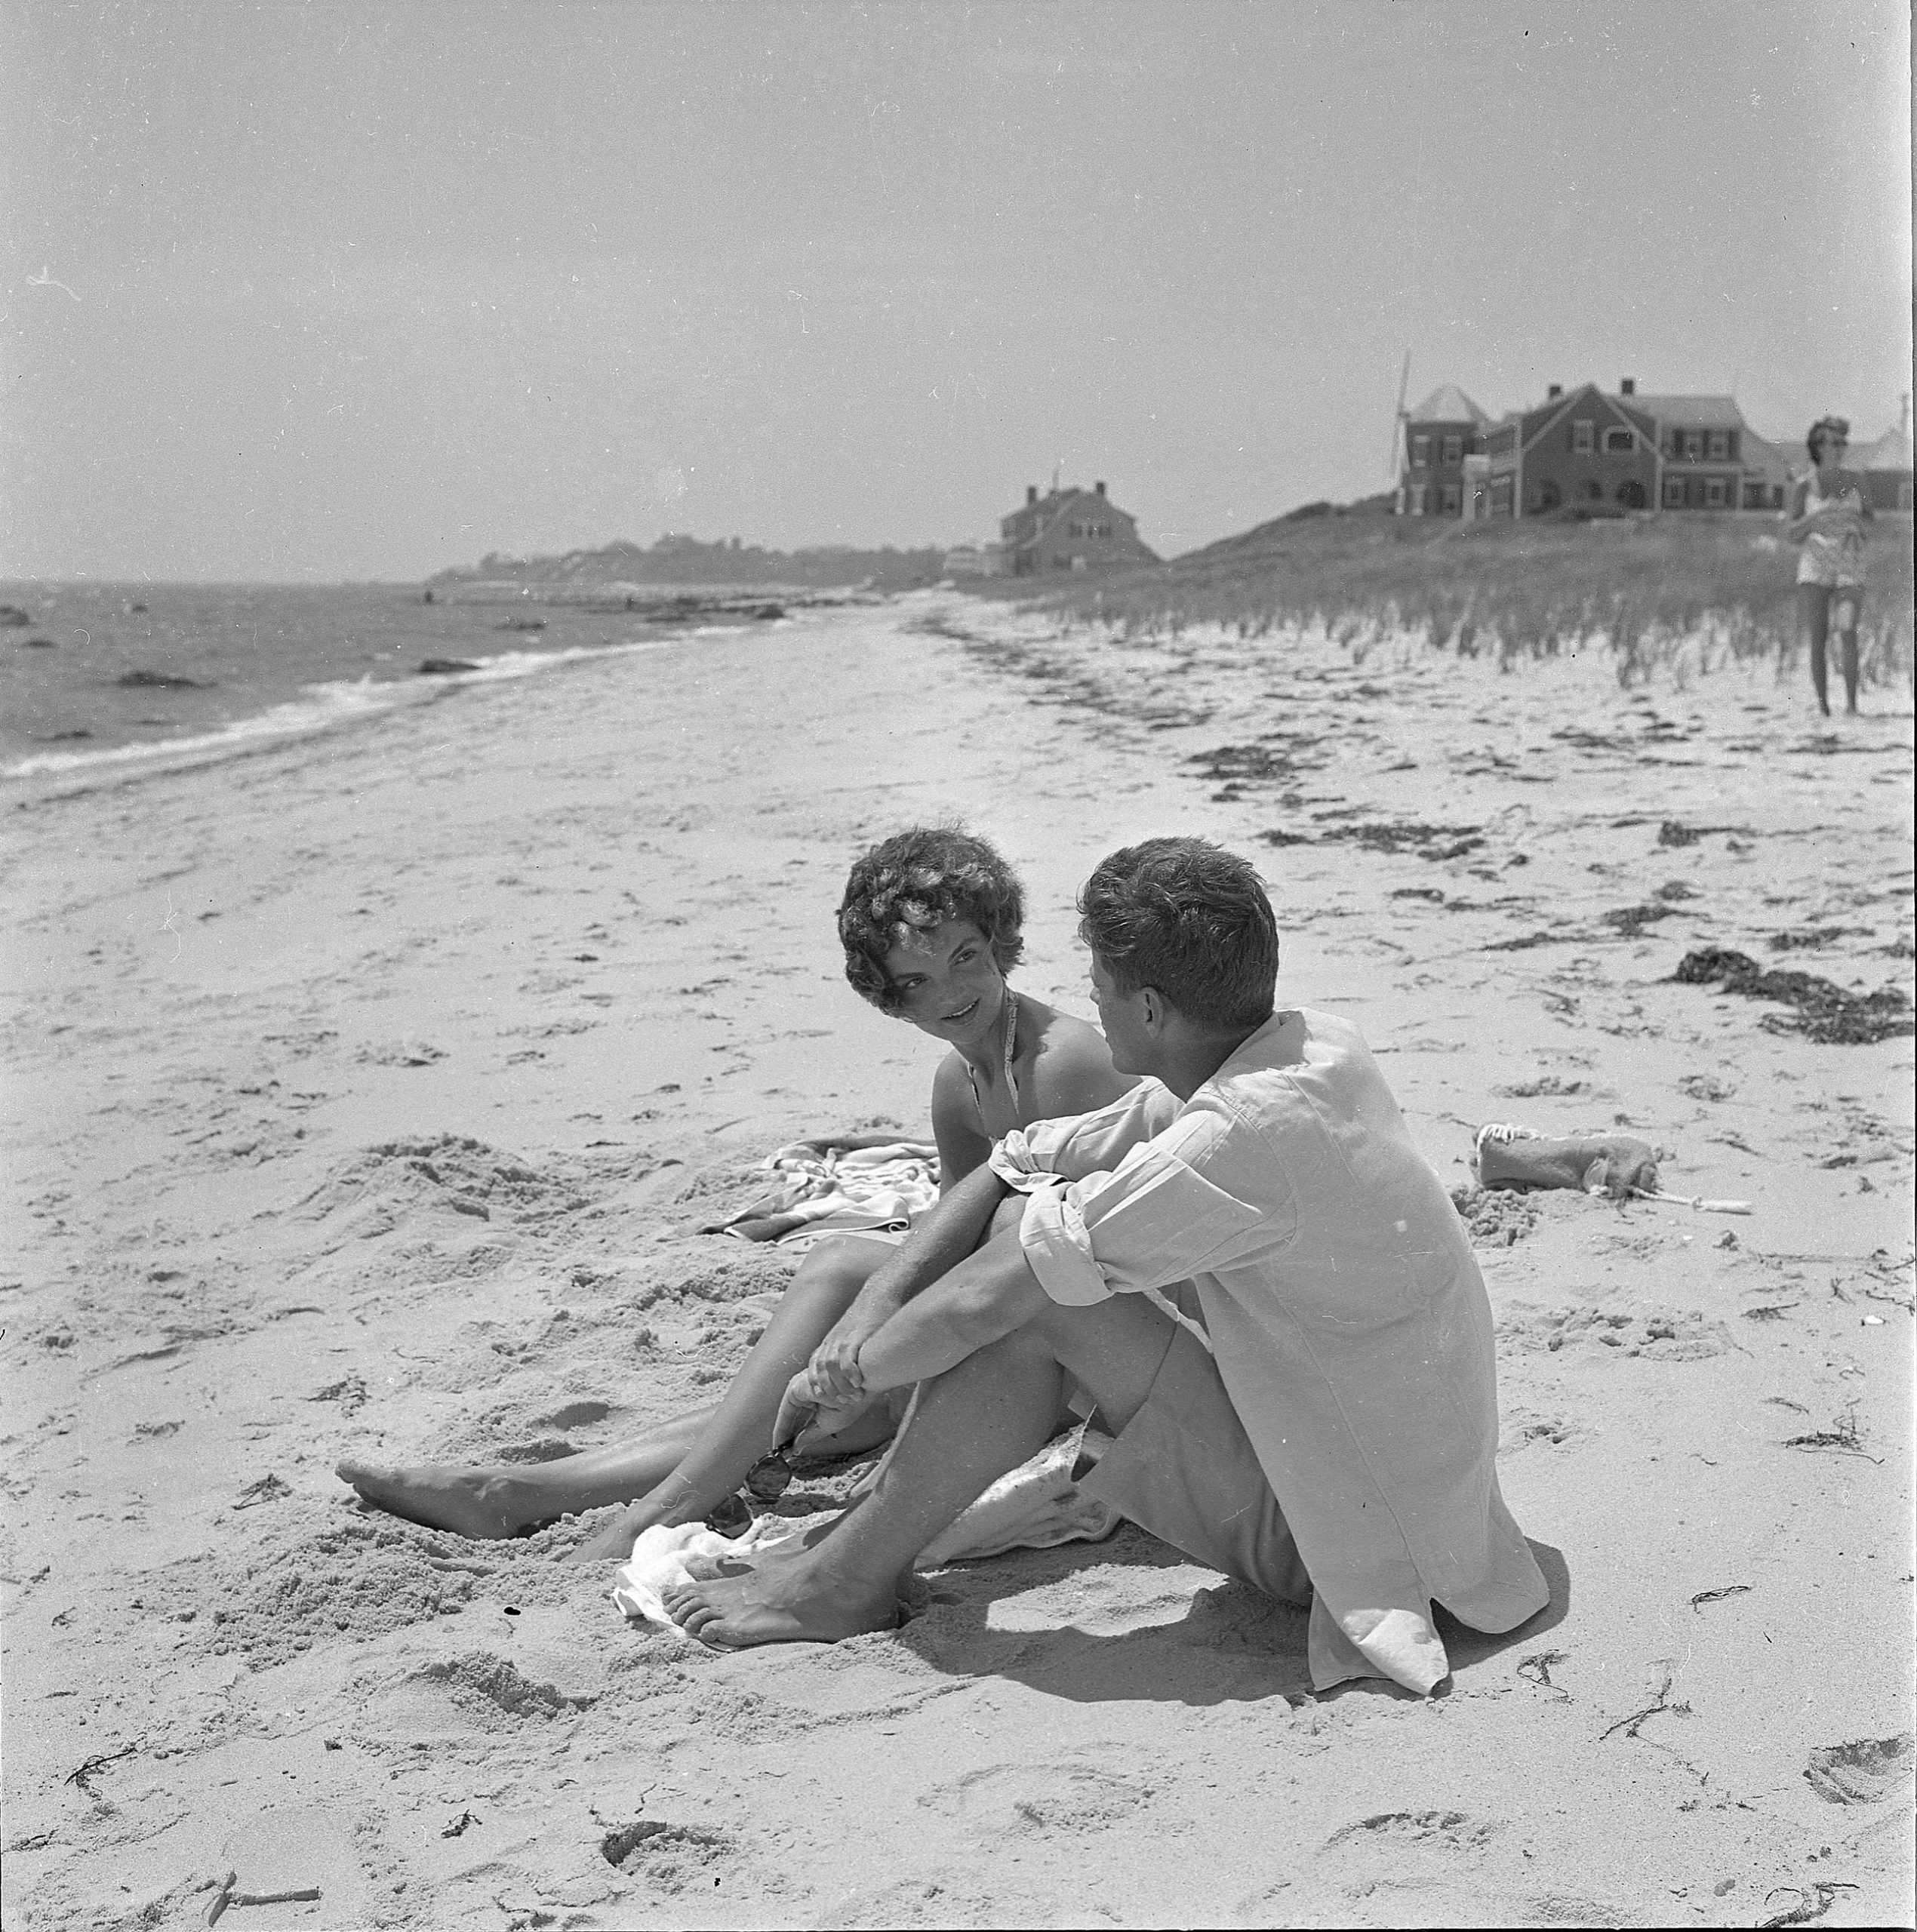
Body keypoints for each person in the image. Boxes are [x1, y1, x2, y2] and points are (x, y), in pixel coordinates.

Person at [661, 837, 1552, 1698]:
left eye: (1102, 989)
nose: (1089, 1003)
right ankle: (847, 1564)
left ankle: (839, 1582)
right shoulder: (1307, 1046)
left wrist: (843, 1380)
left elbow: (990, 1298)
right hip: (1415, 1502)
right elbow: (1016, 1160)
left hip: (1351, 1540)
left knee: (1045, 1300)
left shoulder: (1226, 1141)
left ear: (1152, 1011)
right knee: (1025, 1233)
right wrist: (866, 1316)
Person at [337, 826, 1134, 1559]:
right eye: (918, 979)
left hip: (1096, 1346)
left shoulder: (1062, 1062)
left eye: (965, 955)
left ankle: (641, 1513)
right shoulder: (959, 1079)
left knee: (835, 1283)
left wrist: (882, 1348)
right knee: (800, 1395)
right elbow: (947, 1234)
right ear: (889, 997)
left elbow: (1102, 1254)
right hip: (1023, 1314)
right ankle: (517, 1491)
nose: (951, 990)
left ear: (998, 939)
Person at [1784, 414, 1873, 718]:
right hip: (1815, 564)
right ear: (1817, 447)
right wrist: (1815, 519)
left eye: (1842, 442)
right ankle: (1823, 708)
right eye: (1833, 443)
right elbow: (1790, 534)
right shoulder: (1803, 486)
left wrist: (1854, 521)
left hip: (1850, 562)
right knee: (1819, 637)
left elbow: (1872, 525)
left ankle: (1851, 706)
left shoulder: (1857, 478)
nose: (1840, 448)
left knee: (1848, 630)